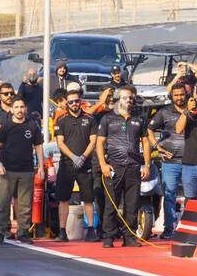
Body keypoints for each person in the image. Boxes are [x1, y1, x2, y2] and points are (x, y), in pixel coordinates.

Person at [96, 86, 150, 248]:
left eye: (131, 98)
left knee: (132, 204)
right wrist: (103, 164)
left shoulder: (139, 119)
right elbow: (99, 142)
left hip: (133, 167)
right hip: (114, 167)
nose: (129, 100)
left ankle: (129, 236)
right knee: (111, 203)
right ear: (119, 99)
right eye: (126, 98)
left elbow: (145, 142)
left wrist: (146, 164)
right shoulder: (107, 119)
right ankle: (108, 237)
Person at [0, 97, 41, 244]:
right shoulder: (6, 126)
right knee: (3, 203)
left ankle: (23, 232)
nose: (19, 110)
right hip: (7, 171)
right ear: (12, 109)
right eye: (16, 107)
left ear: (26, 109)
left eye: (22, 107)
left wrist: (41, 167)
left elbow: (38, 147)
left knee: (25, 205)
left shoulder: (32, 125)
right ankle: (0, 233)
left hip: (26, 170)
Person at [53, 84, 98, 241]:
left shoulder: (90, 118)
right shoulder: (61, 120)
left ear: (81, 101)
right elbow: (60, 143)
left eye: (76, 101)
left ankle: (91, 229)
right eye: (70, 102)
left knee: (88, 198)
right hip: (67, 164)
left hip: (85, 164)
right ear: (66, 103)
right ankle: (62, 231)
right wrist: (73, 157)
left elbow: (93, 141)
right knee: (63, 198)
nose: (74, 104)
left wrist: (83, 157)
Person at [148, 84, 189, 239]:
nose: (179, 97)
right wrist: (157, 147)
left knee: (191, 197)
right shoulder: (164, 112)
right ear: (171, 96)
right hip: (170, 162)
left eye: (181, 94)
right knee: (169, 195)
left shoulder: (193, 110)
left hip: (191, 161)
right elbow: (149, 129)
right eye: (176, 95)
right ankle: (169, 229)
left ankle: (189, 229)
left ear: (187, 94)